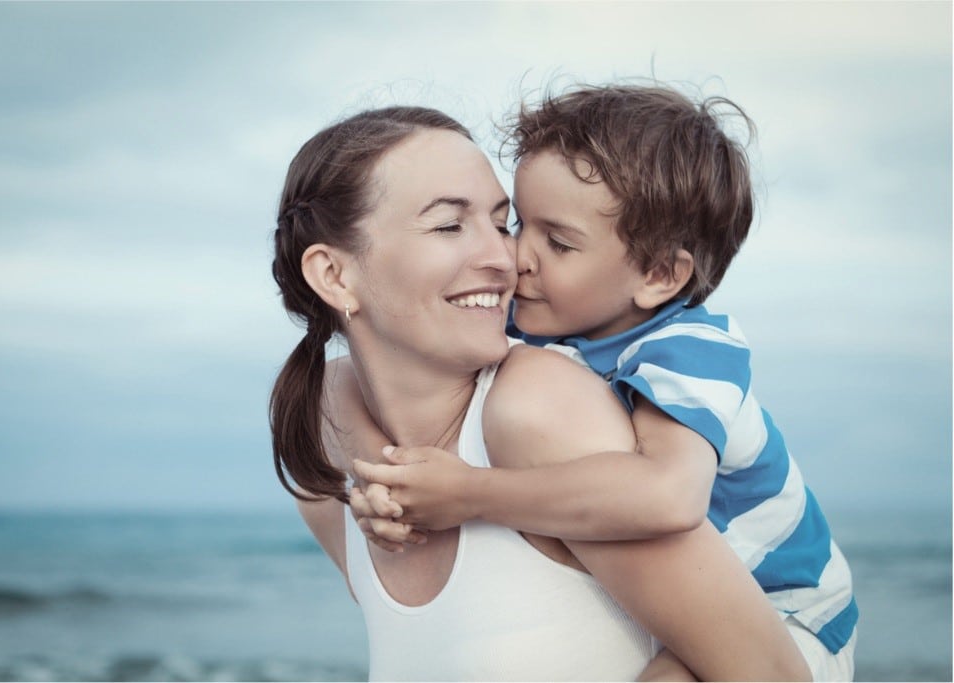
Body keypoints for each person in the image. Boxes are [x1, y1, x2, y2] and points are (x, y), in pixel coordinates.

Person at [270, 105, 810, 681]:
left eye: (499, 223)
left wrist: (470, 493)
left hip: (801, 610)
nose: (506, 259)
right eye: (451, 225)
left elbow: (770, 668)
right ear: (332, 276)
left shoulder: (535, 406)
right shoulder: (326, 442)